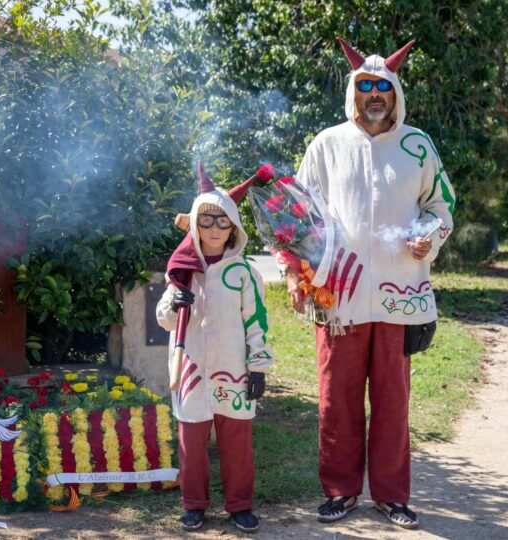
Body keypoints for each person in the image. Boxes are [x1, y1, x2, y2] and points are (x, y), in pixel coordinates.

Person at [285, 37, 456, 530]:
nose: (375, 94)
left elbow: (440, 206)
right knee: (335, 398)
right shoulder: (326, 144)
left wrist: (430, 235)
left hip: (401, 296)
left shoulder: (418, 145)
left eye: (383, 86)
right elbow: (301, 216)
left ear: (396, 92)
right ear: (353, 93)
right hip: (338, 295)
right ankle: (340, 492)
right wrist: (298, 272)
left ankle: (390, 495)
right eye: (366, 86)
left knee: (392, 401)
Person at [157, 163, 272, 533]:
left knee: (237, 440)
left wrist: (258, 366)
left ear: (235, 227)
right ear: (194, 224)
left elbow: (257, 323)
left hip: (234, 368)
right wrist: (173, 304)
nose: (215, 230)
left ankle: (239, 505)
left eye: (223, 222)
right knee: (192, 439)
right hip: (191, 368)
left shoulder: (244, 273)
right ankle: (194, 504)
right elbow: (164, 317)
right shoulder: (181, 270)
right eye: (207, 221)